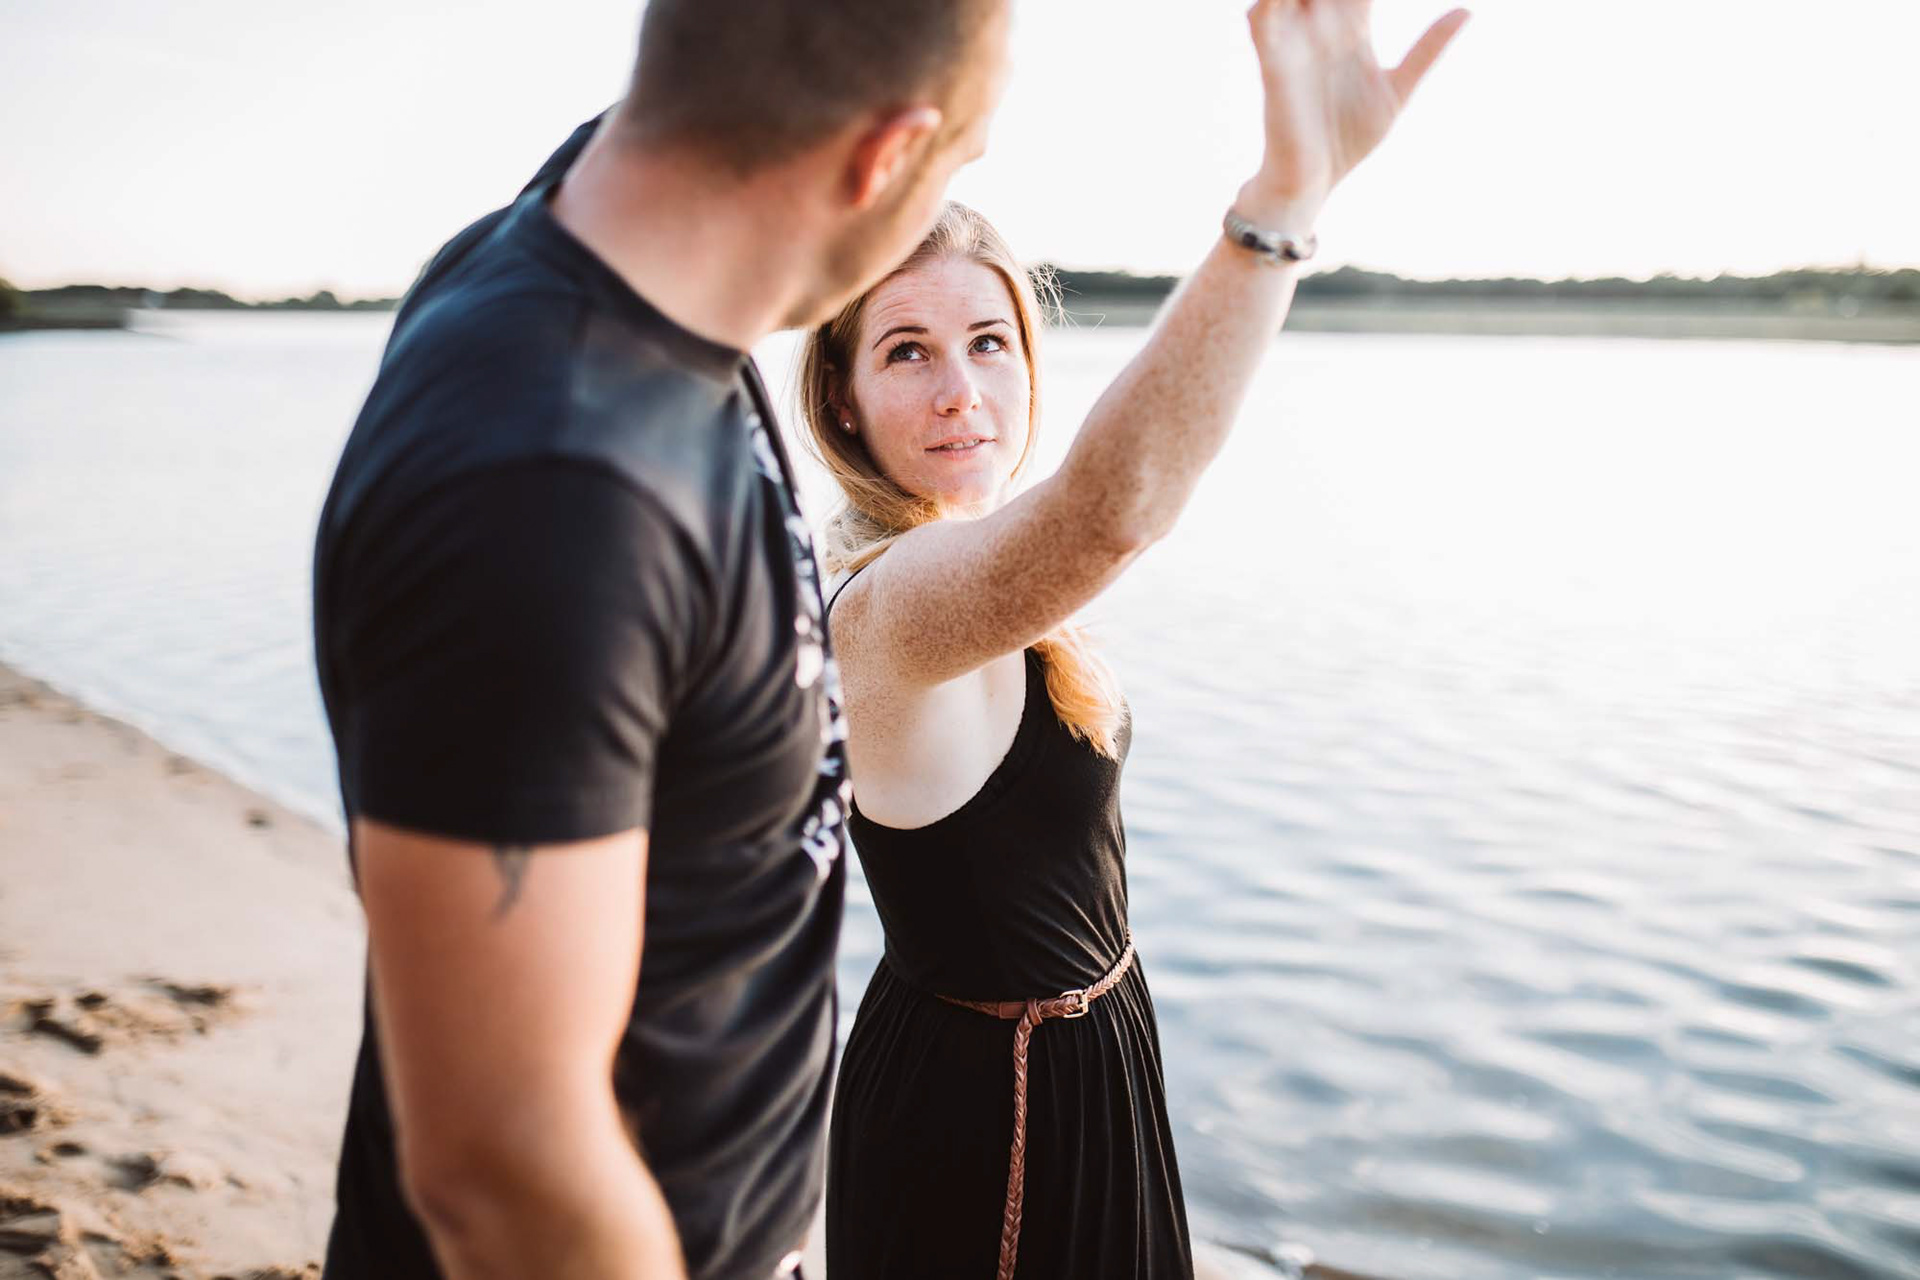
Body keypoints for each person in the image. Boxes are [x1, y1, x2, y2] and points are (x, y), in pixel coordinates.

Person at [310, 3, 1012, 1277]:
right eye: (951, 167)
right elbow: (504, 1167)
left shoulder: (611, 252)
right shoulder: (552, 486)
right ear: (884, 159)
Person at [800, 2, 1470, 1276]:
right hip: (991, 1122)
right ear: (844, 399)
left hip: (1083, 1065)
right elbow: (1115, 507)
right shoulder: (891, 603)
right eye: (907, 352)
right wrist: (1283, 203)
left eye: (988, 342)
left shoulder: (980, 575)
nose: (961, 390)